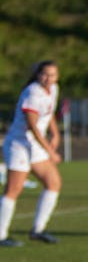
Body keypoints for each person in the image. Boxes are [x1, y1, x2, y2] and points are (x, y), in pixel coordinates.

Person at [0, 60, 63, 247]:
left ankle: (38, 230)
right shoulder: (32, 93)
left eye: (52, 75)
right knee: (13, 189)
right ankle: (1, 235)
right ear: (37, 75)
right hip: (19, 145)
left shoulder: (53, 89)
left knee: (53, 183)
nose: (48, 78)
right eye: (44, 74)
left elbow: (49, 113)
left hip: (35, 146)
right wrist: (50, 151)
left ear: (57, 76)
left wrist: (56, 133)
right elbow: (32, 125)